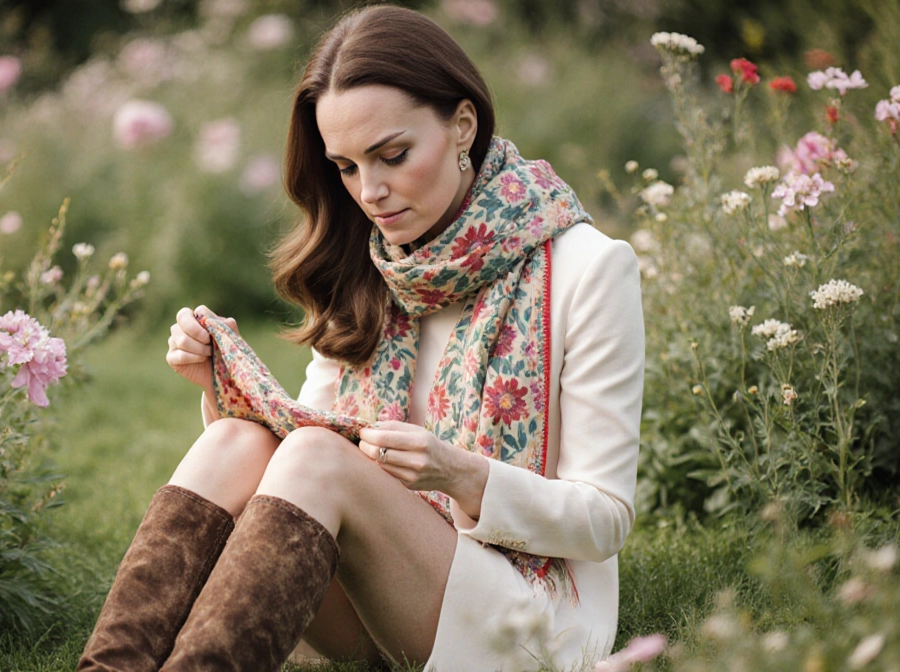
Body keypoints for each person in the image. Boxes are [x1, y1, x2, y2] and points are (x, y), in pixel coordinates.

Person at [77, 4, 643, 671]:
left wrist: (459, 474)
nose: (370, 191)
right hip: (373, 594)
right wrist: (221, 394)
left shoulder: (587, 268)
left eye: (393, 155)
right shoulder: (373, 264)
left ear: (463, 125)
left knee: (318, 456)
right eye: (345, 167)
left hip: (525, 614)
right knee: (239, 438)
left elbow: (606, 519)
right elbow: (290, 464)